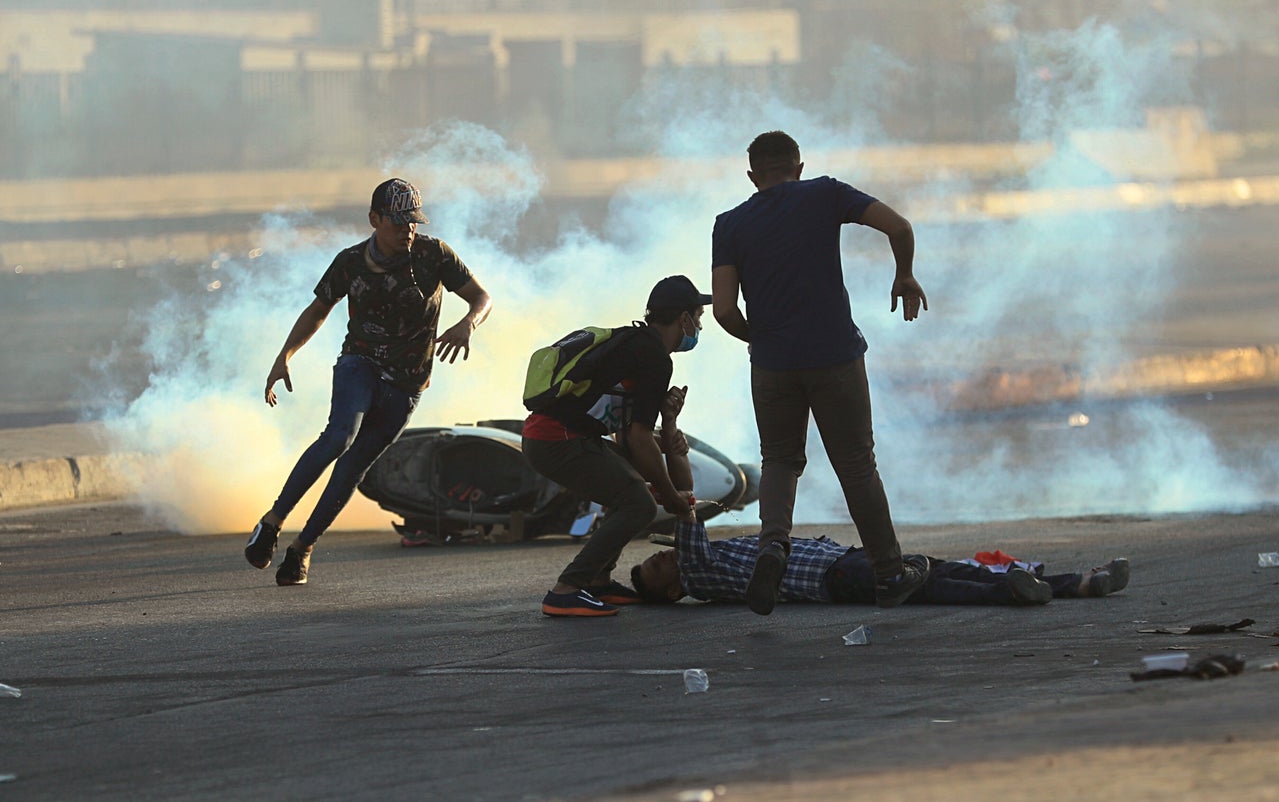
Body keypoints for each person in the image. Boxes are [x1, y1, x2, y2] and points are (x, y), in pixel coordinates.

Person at [711, 130, 929, 615]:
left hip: (772, 365)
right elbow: (899, 227)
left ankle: (772, 547)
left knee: (780, 460)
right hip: (835, 356)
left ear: (752, 176)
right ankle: (890, 575)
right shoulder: (825, 193)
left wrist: (764, 339)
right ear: (799, 167)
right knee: (855, 464)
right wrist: (905, 274)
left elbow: (724, 310)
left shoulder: (729, 223)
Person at [244, 178, 492, 585]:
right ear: (374, 219)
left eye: (412, 222)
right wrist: (284, 356)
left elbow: (481, 297)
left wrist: (469, 322)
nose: (406, 231)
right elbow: (318, 309)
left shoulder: (434, 254)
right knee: (340, 437)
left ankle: (302, 548)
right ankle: (272, 522)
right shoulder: (351, 262)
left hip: (408, 383)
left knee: (353, 467)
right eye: (396, 223)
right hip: (361, 364)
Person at [522, 275, 706, 617]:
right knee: (640, 505)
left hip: (550, 435)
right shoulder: (655, 358)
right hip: (556, 439)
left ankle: (599, 581)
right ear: (683, 319)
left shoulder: (635, 343)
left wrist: (667, 429)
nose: (698, 327)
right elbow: (637, 439)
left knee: (631, 483)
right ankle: (567, 589)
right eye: (698, 318)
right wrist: (670, 496)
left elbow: (626, 437)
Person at [631, 513, 1130, 607]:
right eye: (657, 568)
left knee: (939, 567)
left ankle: (1078, 583)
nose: (665, 559)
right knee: (929, 585)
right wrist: (669, 433)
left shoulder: (706, 563)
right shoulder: (698, 572)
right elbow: (684, 509)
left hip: (839, 559)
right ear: (674, 591)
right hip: (831, 576)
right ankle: (1010, 591)